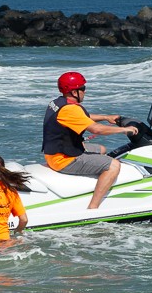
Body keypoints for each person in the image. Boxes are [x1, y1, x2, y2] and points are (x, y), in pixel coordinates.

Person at [41, 71, 137, 209]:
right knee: (113, 165)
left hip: (53, 153)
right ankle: (93, 207)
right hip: (63, 160)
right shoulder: (70, 109)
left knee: (101, 149)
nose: (84, 92)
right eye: (83, 89)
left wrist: (106, 117)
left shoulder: (58, 103)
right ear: (74, 92)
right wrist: (124, 130)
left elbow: (82, 117)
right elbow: (97, 129)